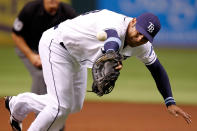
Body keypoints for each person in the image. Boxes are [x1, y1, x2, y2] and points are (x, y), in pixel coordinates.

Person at [5, 9, 191, 131]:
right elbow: (112, 40)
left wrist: (170, 101)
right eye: (139, 31)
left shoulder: (143, 45)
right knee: (59, 106)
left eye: (145, 37)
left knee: (74, 106)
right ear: (133, 22)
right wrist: (111, 54)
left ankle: (18, 103)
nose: (139, 37)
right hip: (56, 45)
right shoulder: (114, 24)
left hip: (77, 57)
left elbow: (157, 69)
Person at [12, 0, 77, 95]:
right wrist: (31, 56)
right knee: (40, 75)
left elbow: (77, 35)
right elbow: (16, 34)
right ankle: (38, 108)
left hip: (52, 50)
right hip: (28, 48)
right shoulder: (31, 9)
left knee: (59, 77)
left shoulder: (68, 12)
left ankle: (51, 105)